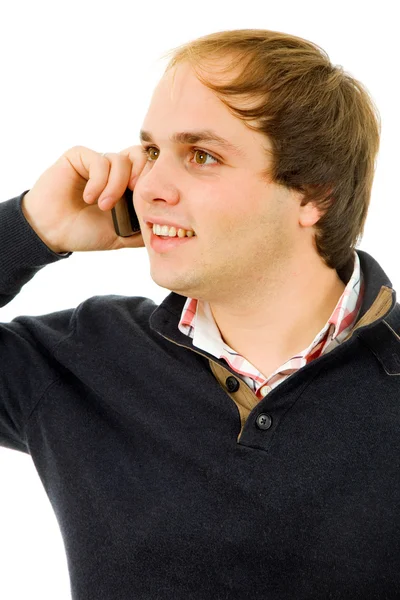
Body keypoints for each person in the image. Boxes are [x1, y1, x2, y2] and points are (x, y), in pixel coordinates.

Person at [1, 28, 399, 600]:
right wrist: (31, 229)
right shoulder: (85, 357)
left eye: (202, 156)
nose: (150, 186)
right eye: (154, 152)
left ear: (316, 195)